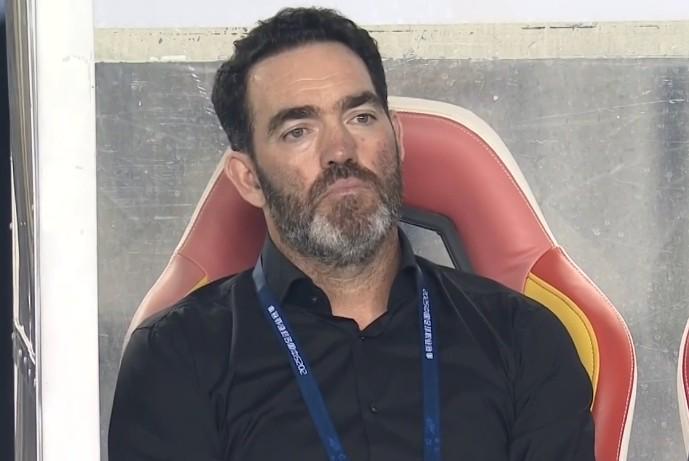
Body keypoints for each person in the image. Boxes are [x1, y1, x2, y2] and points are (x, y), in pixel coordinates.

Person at [109, 7, 594, 461]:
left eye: (360, 117)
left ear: (397, 139)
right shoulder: (177, 356)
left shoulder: (523, 339)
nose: (340, 150)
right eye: (298, 130)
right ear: (249, 178)